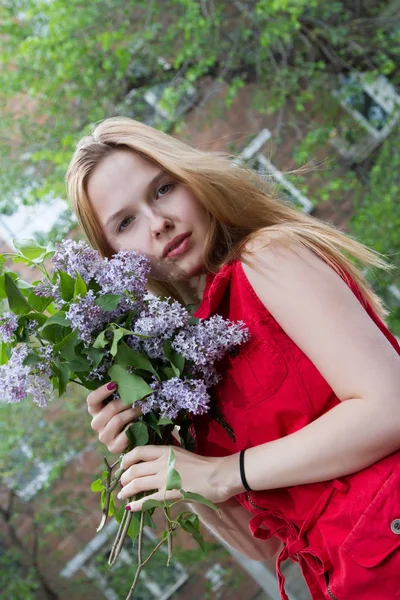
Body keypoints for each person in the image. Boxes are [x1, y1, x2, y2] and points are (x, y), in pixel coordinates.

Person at [66, 116, 400, 600]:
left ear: (192, 180)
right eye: (125, 222)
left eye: (162, 190)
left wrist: (223, 472)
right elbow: (256, 543)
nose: (158, 223)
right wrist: (167, 449)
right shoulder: (188, 365)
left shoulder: (266, 257)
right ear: (115, 258)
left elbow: (390, 406)